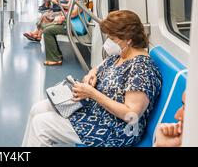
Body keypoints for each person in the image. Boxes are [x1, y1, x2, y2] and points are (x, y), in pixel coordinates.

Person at [22, 10, 162, 147]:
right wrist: (91, 75)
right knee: (37, 108)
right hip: (96, 111)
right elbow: (97, 69)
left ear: (128, 40)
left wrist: (92, 93)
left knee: (41, 126)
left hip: (115, 128)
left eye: (112, 38)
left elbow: (131, 114)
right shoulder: (119, 56)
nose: (109, 42)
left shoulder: (141, 69)